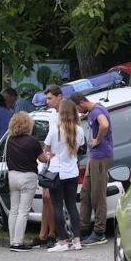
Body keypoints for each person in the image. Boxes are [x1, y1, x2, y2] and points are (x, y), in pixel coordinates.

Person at [69, 91, 113, 246]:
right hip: (93, 157)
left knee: (97, 195)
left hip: (101, 157)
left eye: (77, 108)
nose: (78, 112)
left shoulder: (96, 111)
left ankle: (99, 232)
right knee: (85, 193)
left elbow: (104, 124)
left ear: (80, 103)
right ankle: (83, 228)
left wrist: (97, 140)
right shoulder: (93, 111)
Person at [6, 112, 50, 252]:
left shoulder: (10, 139)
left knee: (14, 210)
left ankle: (13, 240)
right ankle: (18, 243)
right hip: (27, 177)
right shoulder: (32, 141)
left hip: (12, 176)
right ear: (27, 125)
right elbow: (43, 158)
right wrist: (50, 156)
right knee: (23, 211)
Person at [45, 100, 85, 252]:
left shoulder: (55, 130)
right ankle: (76, 240)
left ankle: (62, 241)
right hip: (72, 171)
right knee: (72, 206)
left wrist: (49, 153)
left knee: (57, 206)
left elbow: (47, 149)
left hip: (57, 171)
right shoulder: (79, 130)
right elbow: (79, 146)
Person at [31, 84, 63, 248]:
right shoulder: (51, 115)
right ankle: (44, 234)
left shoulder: (67, 114)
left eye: (50, 98)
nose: (48, 102)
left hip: (62, 162)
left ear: (59, 97)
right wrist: (47, 150)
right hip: (51, 160)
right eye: (47, 99)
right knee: (45, 198)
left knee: (50, 197)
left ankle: (51, 233)